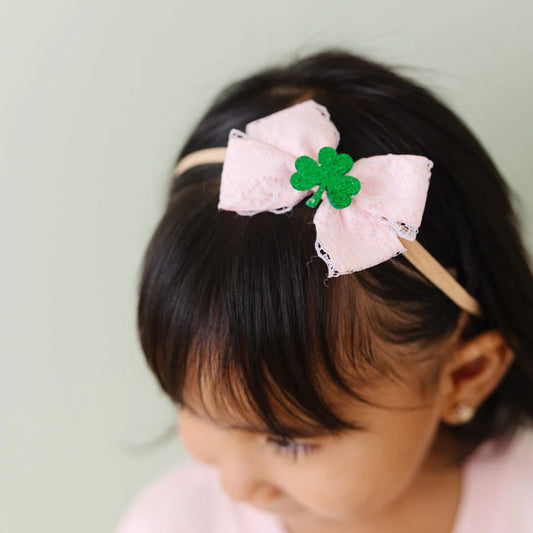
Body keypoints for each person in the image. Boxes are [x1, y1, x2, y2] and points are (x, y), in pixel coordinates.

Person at [115, 49, 533, 533]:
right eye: (195, 408)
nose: (235, 485)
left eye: (288, 441)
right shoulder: (174, 522)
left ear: (465, 374)